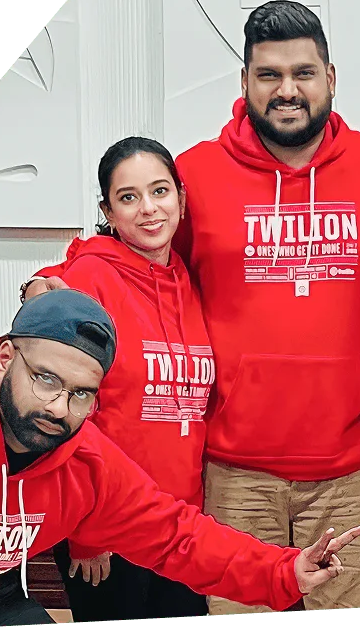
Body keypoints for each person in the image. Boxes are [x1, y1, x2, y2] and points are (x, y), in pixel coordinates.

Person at [26, 0, 360, 614]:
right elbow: (136, 249)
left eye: (304, 73)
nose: (287, 90)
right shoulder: (197, 174)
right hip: (232, 474)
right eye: (269, 74)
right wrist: (53, 281)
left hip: (348, 470)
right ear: (245, 81)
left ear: (331, 78)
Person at [0, 289, 360, 629]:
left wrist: (283, 571)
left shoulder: (85, 462)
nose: (59, 408)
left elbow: (176, 536)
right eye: (46, 380)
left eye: (81, 393)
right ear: (6, 358)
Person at [24, 137, 214, 621]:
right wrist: (86, 531)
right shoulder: (89, 279)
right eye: (129, 197)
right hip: (107, 524)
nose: (148, 209)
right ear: (108, 211)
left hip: (178, 522)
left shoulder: (189, 281)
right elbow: (59, 414)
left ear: (181, 198)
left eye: (159, 191)